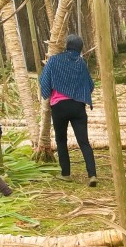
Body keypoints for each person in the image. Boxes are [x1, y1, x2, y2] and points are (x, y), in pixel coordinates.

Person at [39, 33, 97, 186]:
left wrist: (53, 90)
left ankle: (66, 174)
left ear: (66, 45)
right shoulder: (81, 62)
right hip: (78, 106)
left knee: (61, 140)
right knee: (84, 141)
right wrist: (78, 92)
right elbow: (90, 85)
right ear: (79, 47)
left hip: (59, 107)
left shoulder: (54, 60)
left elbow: (44, 81)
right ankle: (92, 175)